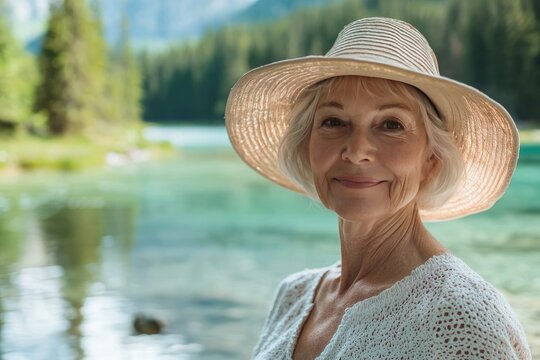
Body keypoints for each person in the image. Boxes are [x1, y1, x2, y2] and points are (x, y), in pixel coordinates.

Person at [225, 17, 532, 359]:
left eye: (391, 124)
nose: (356, 151)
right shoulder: (294, 296)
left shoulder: (460, 318)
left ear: (431, 159)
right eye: (333, 122)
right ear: (306, 144)